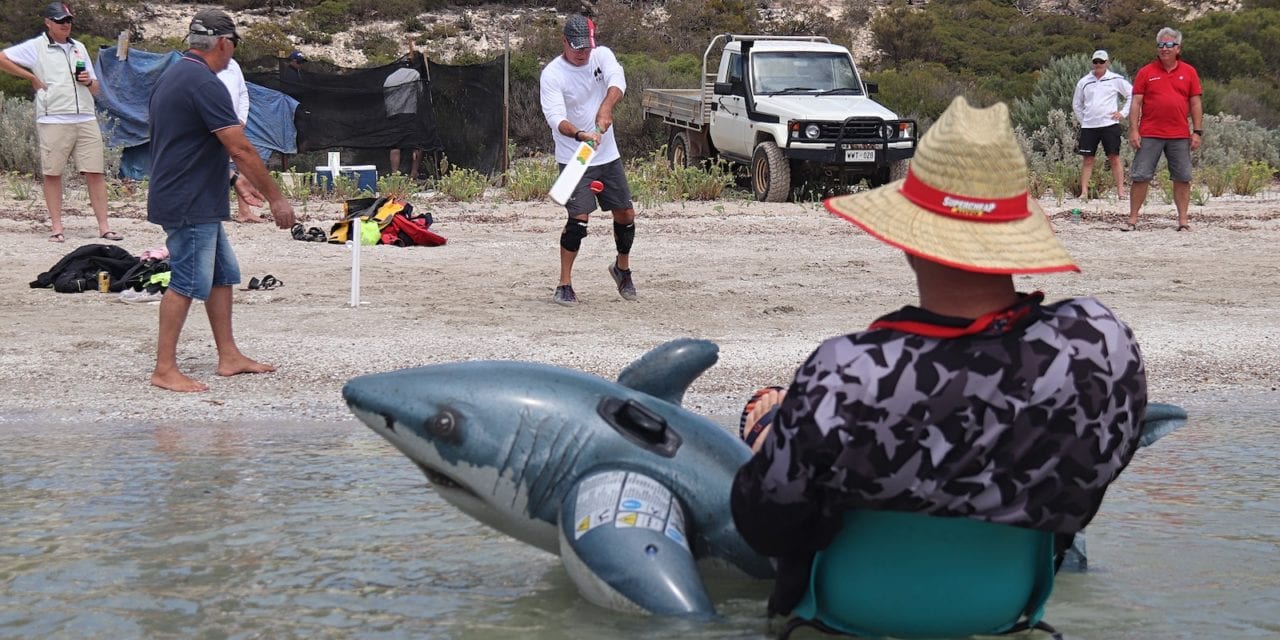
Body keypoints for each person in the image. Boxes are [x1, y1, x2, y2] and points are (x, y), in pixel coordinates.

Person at [730, 96, 1148, 617]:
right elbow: (1098, 469)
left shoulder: (847, 373)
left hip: (848, 617)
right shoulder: (1100, 347)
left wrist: (774, 429)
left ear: (908, 239)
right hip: (1004, 612)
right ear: (1015, 240)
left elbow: (764, 524)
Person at [147, 9, 295, 393]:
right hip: (188, 199)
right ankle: (165, 369)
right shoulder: (203, 83)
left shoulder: (176, 76)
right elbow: (241, 147)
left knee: (222, 275)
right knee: (187, 280)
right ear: (224, 43)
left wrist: (232, 181)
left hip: (194, 192)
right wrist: (276, 199)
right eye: (234, 47)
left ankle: (228, 355)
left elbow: (187, 143)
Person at [0, 2, 121, 243]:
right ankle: (57, 227)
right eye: (60, 21)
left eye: (68, 21)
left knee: (95, 172)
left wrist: (88, 81)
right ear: (48, 22)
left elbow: (96, 87)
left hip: (85, 116)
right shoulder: (37, 47)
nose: (66, 25)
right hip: (53, 117)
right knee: (53, 173)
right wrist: (31, 76)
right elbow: (2, 58)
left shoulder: (80, 47)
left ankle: (104, 227)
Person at [539, 14, 637, 307]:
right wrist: (581, 134)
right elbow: (556, 119)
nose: (582, 53)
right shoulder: (552, 74)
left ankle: (621, 269)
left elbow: (618, 81)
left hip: (608, 155)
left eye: (586, 47)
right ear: (564, 42)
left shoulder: (601, 55)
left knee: (626, 215)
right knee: (579, 221)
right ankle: (564, 284)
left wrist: (606, 108)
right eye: (576, 47)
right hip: (575, 158)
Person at [1124, 27, 1202, 232]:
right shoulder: (1146, 72)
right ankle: (1132, 220)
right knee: (1141, 176)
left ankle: (1183, 221)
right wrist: (1133, 130)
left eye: (1169, 45)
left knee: (1183, 177)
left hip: (1179, 134)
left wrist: (1197, 131)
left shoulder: (1189, 72)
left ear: (1178, 48)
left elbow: (1195, 103)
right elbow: (1136, 103)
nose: (1164, 49)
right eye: (1161, 45)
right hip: (1150, 133)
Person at [1072, 49, 1132, 200]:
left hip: (1109, 124)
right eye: (1095, 62)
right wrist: (1083, 120)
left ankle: (1121, 191)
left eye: (1101, 62)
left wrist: (1123, 113)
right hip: (1089, 127)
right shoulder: (1084, 82)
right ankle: (1084, 192)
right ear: (1092, 63)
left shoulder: (1116, 79)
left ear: (1107, 63)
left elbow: (1132, 94)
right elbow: (1076, 104)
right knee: (1087, 159)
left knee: (1114, 157)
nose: (1098, 64)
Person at [217, 57, 265, 223]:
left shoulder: (232, 64)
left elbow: (243, 92)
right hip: (211, 123)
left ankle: (244, 211)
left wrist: (241, 118)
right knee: (209, 162)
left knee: (242, 160)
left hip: (233, 123)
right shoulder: (201, 64)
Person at [382, 59, 423, 179]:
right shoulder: (415, 74)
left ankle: (395, 174)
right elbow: (420, 92)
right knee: (417, 145)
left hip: (394, 115)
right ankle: (413, 173)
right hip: (411, 113)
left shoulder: (389, 78)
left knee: (395, 146)